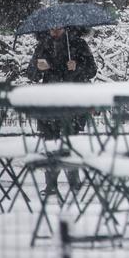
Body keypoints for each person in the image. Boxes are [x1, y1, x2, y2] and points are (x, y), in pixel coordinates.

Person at [26, 26, 97, 195]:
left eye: (58, 28)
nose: (54, 32)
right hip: (49, 101)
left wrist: (77, 66)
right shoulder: (42, 46)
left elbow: (92, 70)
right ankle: (51, 184)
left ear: (65, 28)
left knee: (69, 141)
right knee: (50, 142)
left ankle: (74, 181)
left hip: (72, 100)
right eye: (51, 29)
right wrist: (38, 68)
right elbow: (31, 74)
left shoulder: (78, 44)